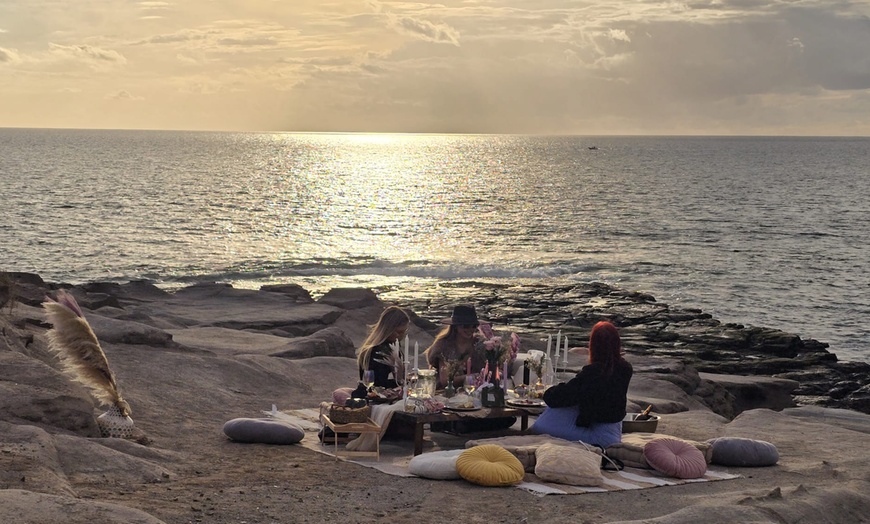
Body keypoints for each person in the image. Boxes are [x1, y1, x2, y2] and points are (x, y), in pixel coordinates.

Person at [529, 321, 632, 448]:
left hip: (599, 437)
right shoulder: (625, 368)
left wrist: (549, 390)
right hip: (614, 431)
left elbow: (558, 397)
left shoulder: (594, 373)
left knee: (541, 423)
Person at [424, 304, 487, 389]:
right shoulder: (444, 346)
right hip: (447, 391)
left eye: (474, 326)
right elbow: (445, 380)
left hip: (477, 389)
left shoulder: (479, 343)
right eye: (466, 326)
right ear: (456, 326)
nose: (470, 329)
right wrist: (469, 377)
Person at [355, 305, 411, 389]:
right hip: (371, 392)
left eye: (404, 332)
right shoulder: (374, 351)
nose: (401, 336)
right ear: (388, 329)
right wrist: (401, 381)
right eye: (399, 332)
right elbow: (376, 384)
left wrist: (403, 377)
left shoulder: (393, 345)